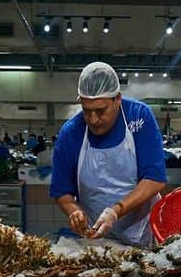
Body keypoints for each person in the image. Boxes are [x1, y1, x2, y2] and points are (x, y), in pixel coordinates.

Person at [49, 61, 167, 247]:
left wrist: (116, 211)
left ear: (117, 99)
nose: (93, 120)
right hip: (96, 236)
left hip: (139, 234)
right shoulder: (71, 133)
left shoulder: (139, 116)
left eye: (100, 111)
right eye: (87, 111)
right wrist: (73, 211)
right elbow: (61, 190)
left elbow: (155, 178)